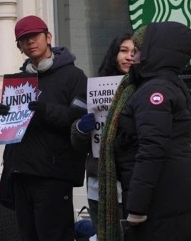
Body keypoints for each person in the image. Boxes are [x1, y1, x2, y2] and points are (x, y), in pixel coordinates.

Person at [98, 22, 191, 240]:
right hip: (167, 198)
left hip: (160, 202)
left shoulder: (154, 91)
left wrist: (136, 207)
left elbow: (152, 150)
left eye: (138, 50)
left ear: (154, 52)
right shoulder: (162, 85)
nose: (133, 57)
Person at [0, 15, 87, 240]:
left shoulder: (73, 75)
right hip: (21, 172)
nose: (30, 42)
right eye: (23, 40)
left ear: (48, 37)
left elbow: (80, 120)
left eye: (34, 36)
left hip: (53, 175)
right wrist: (1, 117)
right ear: (19, 47)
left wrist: (46, 110)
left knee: (55, 236)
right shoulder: (18, 82)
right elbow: (11, 129)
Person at [70, 33, 136, 233]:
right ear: (113, 55)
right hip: (99, 186)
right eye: (123, 51)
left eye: (134, 52)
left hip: (132, 183)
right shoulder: (95, 88)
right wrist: (81, 129)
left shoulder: (145, 89)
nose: (128, 57)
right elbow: (78, 142)